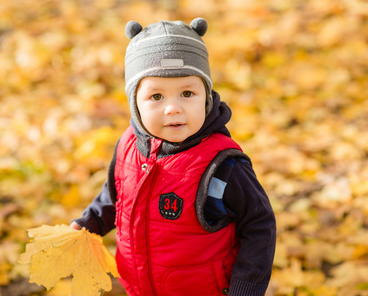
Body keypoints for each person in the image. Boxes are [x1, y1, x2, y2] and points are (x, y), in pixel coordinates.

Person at [70, 18, 276, 296]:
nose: (172, 108)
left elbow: (259, 223)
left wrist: (246, 289)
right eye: (156, 97)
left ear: (206, 96)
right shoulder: (128, 145)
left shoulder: (221, 165)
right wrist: (90, 223)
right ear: (135, 103)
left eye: (187, 93)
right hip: (140, 286)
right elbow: (116, 194)